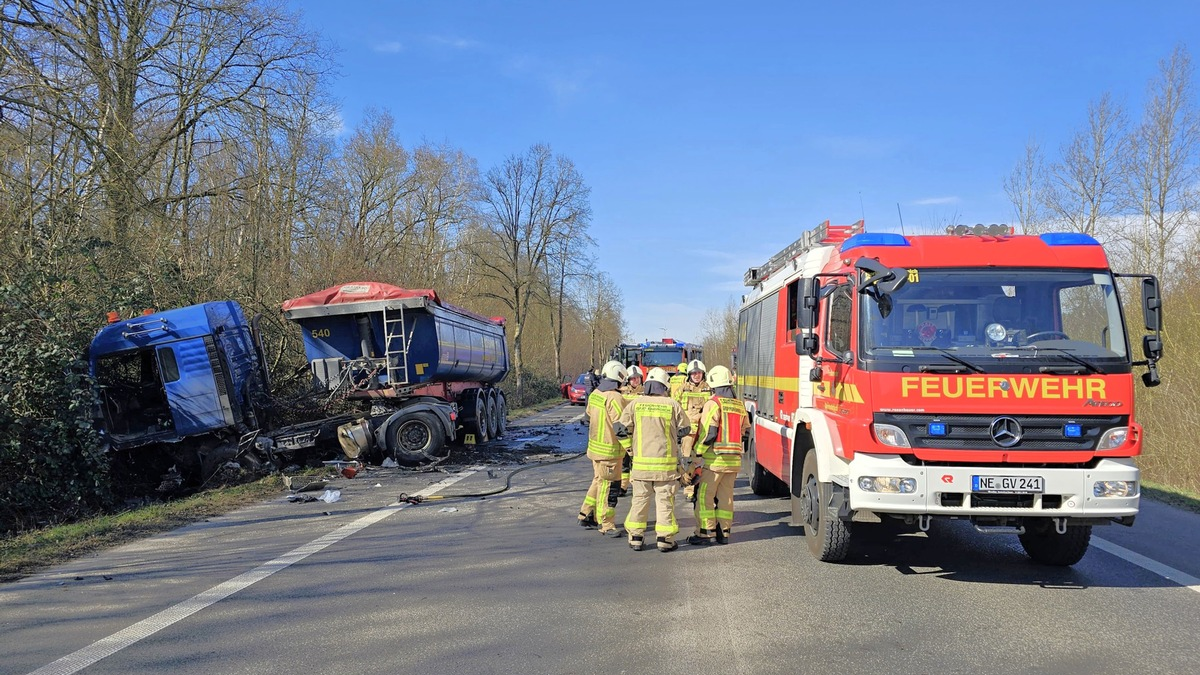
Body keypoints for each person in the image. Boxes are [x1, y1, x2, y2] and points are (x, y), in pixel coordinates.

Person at [616, 367, 690, 552]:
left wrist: (630, 449)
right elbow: (686, 429)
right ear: (664, 386)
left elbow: (619, 428)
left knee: (639, 500)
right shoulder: (672, 404)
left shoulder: (635, 404)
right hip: (665, 467)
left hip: (641, 466)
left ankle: (636, 538)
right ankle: (665, 540)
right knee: (664, 502)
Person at [687, 366, 749, 545]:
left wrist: (697, 452)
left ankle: (705, 533)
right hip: (734, 461)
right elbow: (745, 431)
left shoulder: (713, 403)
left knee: (704, 495)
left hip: (714, 461)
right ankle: (724, 532)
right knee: (726, 497)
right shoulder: (739, 405)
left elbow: (709, 433)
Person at [578, 361, 631, 536]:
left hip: (595, 449)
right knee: (608, 488)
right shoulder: (614, 398)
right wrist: (631, 450)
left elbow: (586, 418)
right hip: (609, 452)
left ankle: (586, 514)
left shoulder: (595, 394)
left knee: (598, 481)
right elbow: (620, 428)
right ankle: (606, 524)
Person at [673, 359, 711, 500]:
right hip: (687, 432)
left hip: (704, 432)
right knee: (687, 460)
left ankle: (700, 488)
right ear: (689, 374)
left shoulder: (709, 388)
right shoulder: (682, 389)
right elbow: (674, 407)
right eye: (694, 373)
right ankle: (689, 490)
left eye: (699, 373)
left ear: (703, 374)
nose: (696, 375)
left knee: (701, 461)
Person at [617, 365, 645, 496]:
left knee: (637, 460)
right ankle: (623, 486)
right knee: (624, 461)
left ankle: (636, 485)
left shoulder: (645, 392)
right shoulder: (621, 392)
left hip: (640, 431)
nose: (635, 381)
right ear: (628, 380)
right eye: (633, 379)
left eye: (638, 378)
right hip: (625, 431)